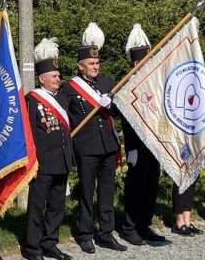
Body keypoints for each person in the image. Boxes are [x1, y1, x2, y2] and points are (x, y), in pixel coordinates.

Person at [62, 23, 127, 254]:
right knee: (87, 191)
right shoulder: (69, 88)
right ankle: (85, 233)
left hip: (108, 144)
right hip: (86, 146)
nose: (95, 67)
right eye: (91, 64)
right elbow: (64, 117)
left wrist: (112, 106)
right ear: (81, 66)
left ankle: (106, 232)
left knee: (107, 191)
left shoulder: (107, 83)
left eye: (97, 63)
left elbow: (119, 113)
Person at [22, 38, 75, 260]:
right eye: (54, 76)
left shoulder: (62, 98)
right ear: (42, 79)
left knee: (57, 206)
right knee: (37, 206)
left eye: (58, 76)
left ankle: (50, 243)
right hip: (42, 162)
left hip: (61, 160)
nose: (58, 79)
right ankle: (32, 248)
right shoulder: (32, 100)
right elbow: (28, 132)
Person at [119, 24, 165, 244]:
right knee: (136, 187)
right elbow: (127, 119)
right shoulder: (126, 83)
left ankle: (144, 224)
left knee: (151, 185)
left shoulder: (152, 83)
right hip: (137, 145)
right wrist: (131, 148)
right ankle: (129, 226)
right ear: (136, 62)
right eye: (144, 61)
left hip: (154, 144)